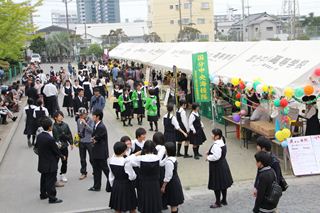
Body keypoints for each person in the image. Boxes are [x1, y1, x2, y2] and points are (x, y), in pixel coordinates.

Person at [35, 117, 64, 204]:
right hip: (50, 163)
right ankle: (52, 197)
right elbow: (56, 151)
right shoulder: (50, 139)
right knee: (50, 181)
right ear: (49, 127)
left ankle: (43, 194)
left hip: (42, 161)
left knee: (43, 178)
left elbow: (36, 147)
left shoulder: (39, 136)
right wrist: (62, 156)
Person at [129, 140, 163, 213]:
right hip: (155, 183)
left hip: (144, 183)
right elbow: (163, 148)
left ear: (144, 148)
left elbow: (129, 159)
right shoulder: (158, 158)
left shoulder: (140, 159)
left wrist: (140, 152)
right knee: (155, 199)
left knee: (145, 199)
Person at [206, 128, 233, 208]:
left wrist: (208, 157)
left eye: (212, 134)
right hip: (223, 164)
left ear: (217, 136)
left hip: (217, 166)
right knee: (223, 184)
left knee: (217, 185)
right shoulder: (222, 142)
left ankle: (218, 202)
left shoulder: (216, 145)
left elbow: (216, 156)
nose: (211, 135)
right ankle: (224, 200)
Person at [108, 142, 137, 213]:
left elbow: (111, 175)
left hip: (116, 184)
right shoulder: (126, 162)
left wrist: (113, 185)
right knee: (132, 207)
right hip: (127, 185)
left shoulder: (110, 160)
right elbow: (132, 176)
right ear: (123, 151)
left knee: (118, 208)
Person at [89, 109, 110, 192]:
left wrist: (93, 139)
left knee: (106, 170)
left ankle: (112, 184)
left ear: (98, 117)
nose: (92, 116)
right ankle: (96, 186)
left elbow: (96, 138)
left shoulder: (101, 126)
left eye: (93, 115)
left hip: (101, 152)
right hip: (96, 152)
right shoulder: (96, 125)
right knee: (96, 170)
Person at [161, 142, 184, 213]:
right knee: (174, 203)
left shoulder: (169, 162)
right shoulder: (172, 158)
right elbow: (161, 163)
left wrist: (163, 186)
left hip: (172, 183)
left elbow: (168, 176)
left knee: (173, 204)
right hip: (175, 181)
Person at [52, 111, 73, 183]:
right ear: (55, 118)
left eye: (62, 115)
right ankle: (53, 176)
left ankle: (62, 174)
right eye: (59, 116)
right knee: (55, 162)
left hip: (64, 146)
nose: (61, 117)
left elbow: (69, 134)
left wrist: (71, 143)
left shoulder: (65, 125)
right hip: (56, 147)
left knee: (64, 161)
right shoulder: (52, 127)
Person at [77, 108, 94, 180]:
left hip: (89, 141)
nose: (80, 116)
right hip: (81, 141)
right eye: (79, 115)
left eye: (81, 115)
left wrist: (85, 123)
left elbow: (92, 130)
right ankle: (83, 172)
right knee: (82, 158)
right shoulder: (78, 120)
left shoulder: (91, 120)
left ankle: (95, 171)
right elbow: (78, 130)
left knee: (92, 158)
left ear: (86, 114)